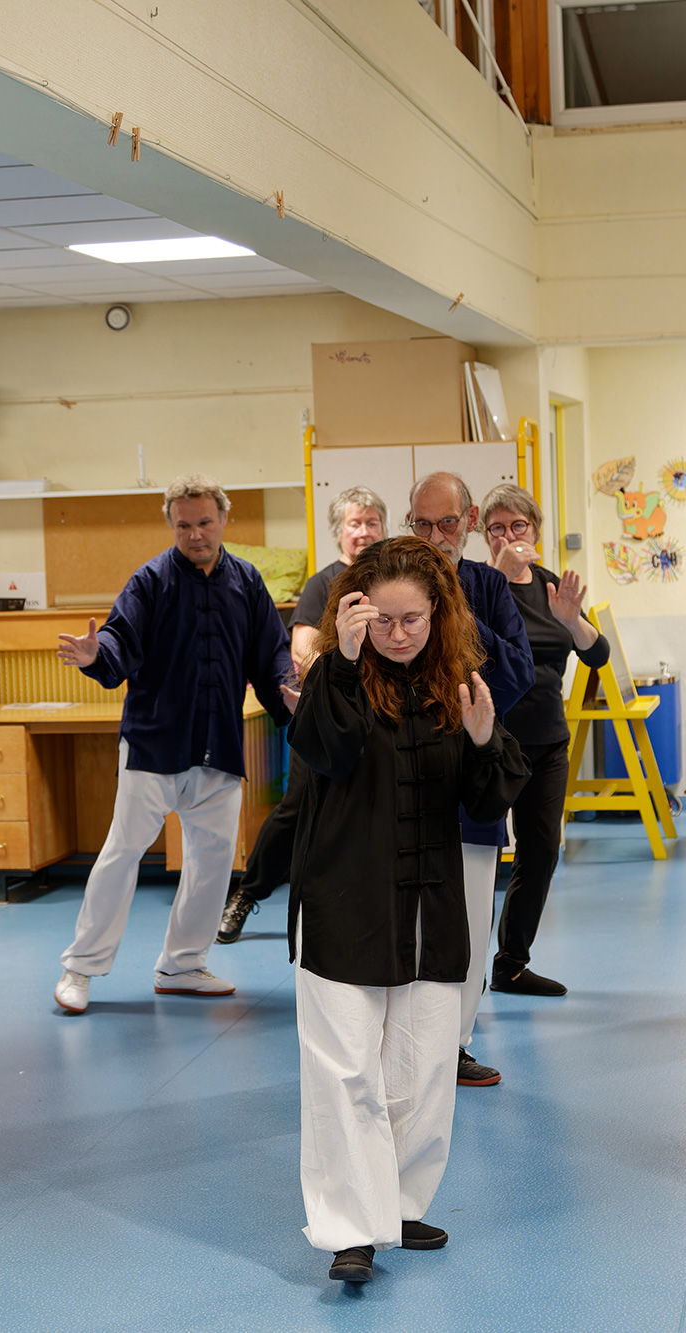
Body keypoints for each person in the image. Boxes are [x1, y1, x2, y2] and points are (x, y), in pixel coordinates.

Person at [286, 537, 529, 1284]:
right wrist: (342, 659)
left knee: (420, 1071)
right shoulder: (333, 678)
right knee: (345, 1071)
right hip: (343, 899)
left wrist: (484, 740)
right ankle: (350, 1229)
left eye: (411, 620)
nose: (397, 634)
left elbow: (485, 802)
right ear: (354, 615)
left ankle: (394, 1204)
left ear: (437, 615)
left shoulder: (456, 686)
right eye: (381, 620)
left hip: (429, 903)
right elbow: (325, 748)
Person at [52, 474, 296, 1015]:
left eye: (204, 522)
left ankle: (182, 965)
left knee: (213, 861)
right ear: (171, 525)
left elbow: (271, 654)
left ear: (223, 519)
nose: (195, 534)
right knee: (122, 854)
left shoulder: (248, 582)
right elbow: (119, 638)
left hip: (218, 746)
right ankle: (80, 968)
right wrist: (96, 655)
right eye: (184, 525)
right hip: (154, 746)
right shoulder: (150, 581)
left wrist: (289, 690)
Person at [404, 472, 534, 1088]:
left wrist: (455, 612)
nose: (436, 536)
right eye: (422, 524)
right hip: (401, 782)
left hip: (470, 778)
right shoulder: (389, 584)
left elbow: (517, 677)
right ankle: (403, 1044)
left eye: (448, 523)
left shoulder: (488, 586)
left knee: (470, 920)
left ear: (471, 520)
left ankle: (453, 1045)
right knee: (406, 922)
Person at [220, 485, 388, 943]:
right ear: (339, 532)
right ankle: (246, 894)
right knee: (296, 806)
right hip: (327, 714)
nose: (364, 531)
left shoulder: (393, 580)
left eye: (372, 522)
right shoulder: (323, 584)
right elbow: (303, 650)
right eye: (354, 523)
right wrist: (340, 685)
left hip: (384, 715)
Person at [478, 483, 608, 997]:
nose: (508, 536)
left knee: (541, 852)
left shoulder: (553, 586)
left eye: (518, 526)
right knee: (479, 856)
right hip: (490, 742)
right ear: (484, 536)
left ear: (535, 531)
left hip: (548, 740)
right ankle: (460, 971)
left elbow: (597, 655)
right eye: (496, 528)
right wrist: (500, 575)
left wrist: (572, 621)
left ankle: (511, 963)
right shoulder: (477, 586)